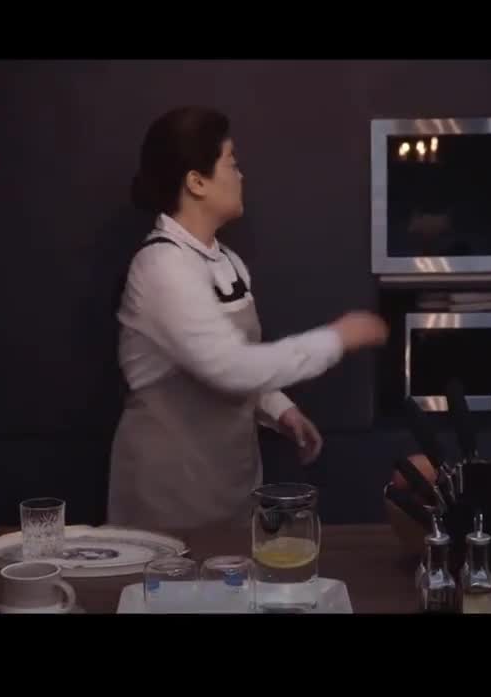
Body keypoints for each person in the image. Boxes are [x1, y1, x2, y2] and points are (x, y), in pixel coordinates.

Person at [106, 106, 388, 532]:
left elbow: (238, 358)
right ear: (196, 182)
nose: (241, 175)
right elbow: (229, 367)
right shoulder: (161, 266)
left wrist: (280, 409)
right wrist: (338, 337)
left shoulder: (230, 263)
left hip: (230, 487)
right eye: (231, 163)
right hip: (166, 494)